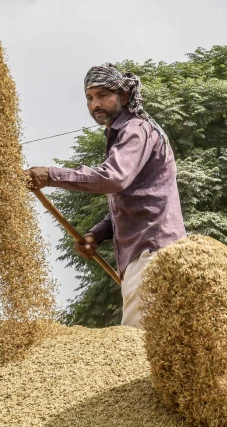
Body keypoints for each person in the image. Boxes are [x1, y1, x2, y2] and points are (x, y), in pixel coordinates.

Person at [25, 64, 186, 328]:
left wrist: (51, 175)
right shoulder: (125, 133)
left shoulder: (136, 129)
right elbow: (137, 198)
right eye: (89, 98)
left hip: (153, 254)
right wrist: (96, 234)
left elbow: (113, 178)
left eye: (102, 95)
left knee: (136, 347)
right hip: (147, 254)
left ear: (123, 96)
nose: (95, 104)